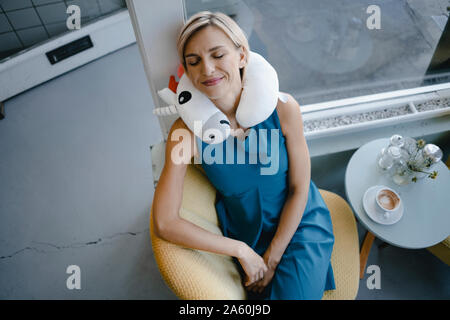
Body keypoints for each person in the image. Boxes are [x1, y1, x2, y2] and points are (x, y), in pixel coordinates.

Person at [152, 11, 336, 300]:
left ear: (241, 56)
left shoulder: (284, 108)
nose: (207, 69)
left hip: (299, 224)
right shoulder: (183, 132)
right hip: (245, 235)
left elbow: (300, 188)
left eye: (217, 54)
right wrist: (240, 250)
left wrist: (271, 260)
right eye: (194, 61)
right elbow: (164, 223)